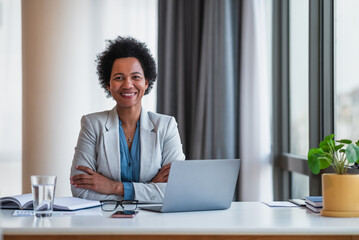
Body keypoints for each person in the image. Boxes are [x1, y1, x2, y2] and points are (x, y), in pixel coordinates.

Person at [70, 36, 185, 203]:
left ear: (146, 82)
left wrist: (114, 187)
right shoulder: (92, 124)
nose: (127, 84)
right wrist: (150, 187)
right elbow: (80, 191)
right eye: (118, 77)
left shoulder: (166, 126)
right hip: (105, 224)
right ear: (108, 84)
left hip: (154, 224)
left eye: (136, 77)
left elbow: (177, 188)